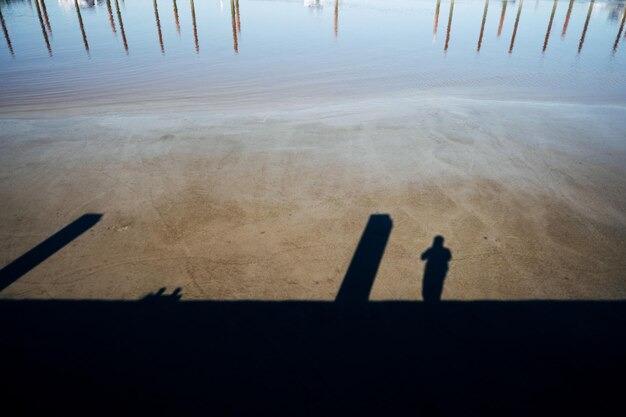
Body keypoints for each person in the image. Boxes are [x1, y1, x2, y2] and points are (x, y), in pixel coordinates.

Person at [420, 235, 452, 302]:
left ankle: (430, 300)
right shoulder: (444, 250)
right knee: (437, 285)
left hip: (432, 271)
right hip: (439, 271)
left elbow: (422, 257)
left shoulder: (431, 250)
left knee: (430, 285)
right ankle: (434, 300)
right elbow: (448, 258)